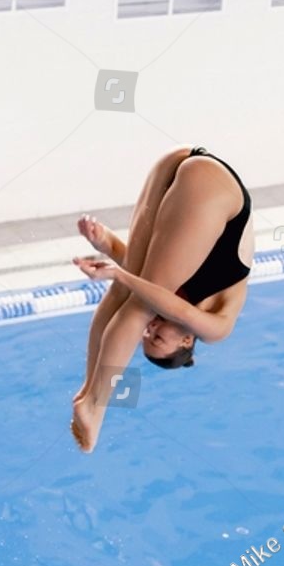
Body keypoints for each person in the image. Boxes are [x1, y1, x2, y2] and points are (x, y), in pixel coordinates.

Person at [70, 146, 254, 452]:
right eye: (158, 338)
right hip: (213, 186)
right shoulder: (217, 329)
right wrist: (120, 275)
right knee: (137, 304)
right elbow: (174, 308)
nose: (151, 329)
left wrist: (104, 242)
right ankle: (94, 405)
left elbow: (135, 273)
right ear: (186, 341)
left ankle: (87, 389)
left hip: (177, 162)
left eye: (146, 335)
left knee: (127, 291)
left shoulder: (169, 290)